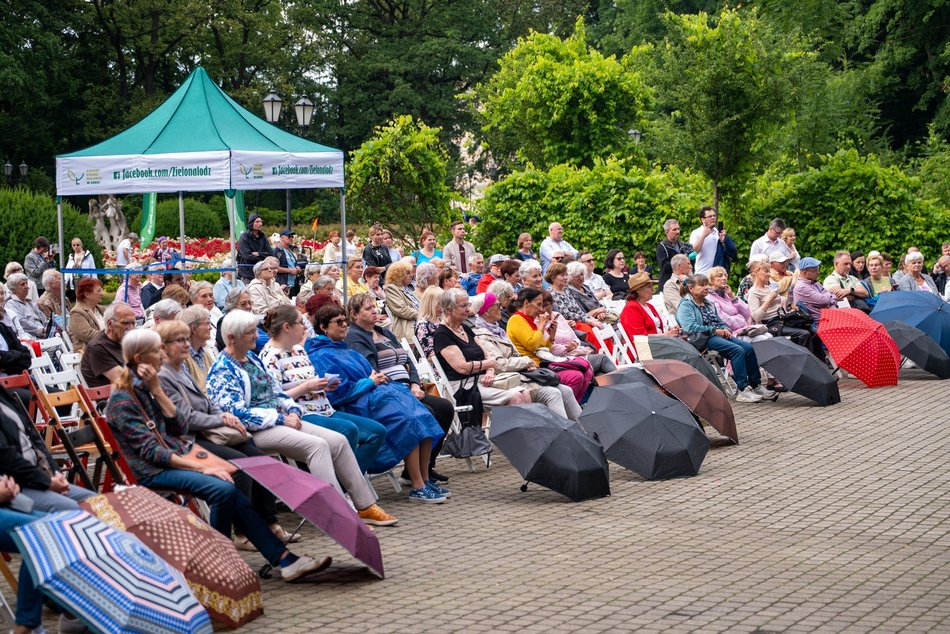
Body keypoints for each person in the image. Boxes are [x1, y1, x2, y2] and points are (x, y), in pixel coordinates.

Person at [106, 329, 332, 580]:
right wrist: (203, 468)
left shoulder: (150, 386)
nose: (163, 354)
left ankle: (282, 559)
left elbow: (179, 427)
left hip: (178, 455)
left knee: (231, 483)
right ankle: (223, 562)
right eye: (157, 349)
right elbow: (152, 452)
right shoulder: (123, 399)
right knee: (222, 488)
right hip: (153, 470)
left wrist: (158, 391)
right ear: (139, 359)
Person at [208, 311, 398, 525]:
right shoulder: (223, 370)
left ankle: (365, 506)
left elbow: (276, 393)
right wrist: (281, 419)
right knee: (318, 445)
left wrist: (293, 411)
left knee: (340, 441)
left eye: (254, 331)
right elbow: (237, 413)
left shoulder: (251, 359)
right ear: (232, 338)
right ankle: (338, 513)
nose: (256, 336)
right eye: (250, 333)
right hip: (254, 429)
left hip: (280, 419)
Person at [154, 320, 297, 548]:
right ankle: (240, 533)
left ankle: (270, 522)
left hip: (208, 430)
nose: (185, 345)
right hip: (190, 439)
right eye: (179, 340)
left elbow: (207, 403)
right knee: (239, 466)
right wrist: (220, 419)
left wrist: (224, 415)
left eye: (185, 339)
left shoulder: (180, 369)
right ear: (163, 347)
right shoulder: (163, 376)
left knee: (261, 458)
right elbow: (185, 418)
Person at [305, 304, 448, 502]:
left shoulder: (345, 350)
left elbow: (367, 373)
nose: (344, 325)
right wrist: (369, 381)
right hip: (356, 405)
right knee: (408, 421)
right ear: (323, 327)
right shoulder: (320, 355)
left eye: (345, 321)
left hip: (375, 397)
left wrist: (374, 378)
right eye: (338, 322)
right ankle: (417, 485)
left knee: (423, 415)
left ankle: (424, 478)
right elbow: (338, 394)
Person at [258, 305, 387, 475]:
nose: (305, 327)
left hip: (324, 408)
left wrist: (324, 386)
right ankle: (344, 487)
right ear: (287, 327)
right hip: (301, 413)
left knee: (377, 432)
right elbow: (274, 399)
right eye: (300, 323)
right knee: (348, 429)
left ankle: (345, 485)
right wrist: (308, 387)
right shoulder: (270, 357)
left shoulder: (298, 350)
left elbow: (310, 380)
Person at [346, 294, 455, 482]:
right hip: (388, 392)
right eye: (367, 308)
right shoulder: (356, 337)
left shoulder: (384, 332)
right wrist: (403, 389)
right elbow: (372, 371)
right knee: (427, 412)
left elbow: (408, 362)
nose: (374, 311)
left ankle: (426, 466)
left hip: (408, 389)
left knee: (445, 408)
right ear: (354, 315)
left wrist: (414, 384)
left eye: (374, 306)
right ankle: (416, 475)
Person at [471, 292, 580, 420]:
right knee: (556, 391)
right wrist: (527, 360)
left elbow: (541, 348)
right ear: (487, 311)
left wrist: (551, 337)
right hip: (512, 378)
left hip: (529, 370)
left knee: (566, 390)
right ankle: (566, 435)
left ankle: (586, 430)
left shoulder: (498, 330)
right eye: (497, 305)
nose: (501, 308)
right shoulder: (484, 334)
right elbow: (500, 363)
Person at [675, 274, 774, 403]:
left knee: (748, 348)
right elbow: (689, 327)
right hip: (702, 338)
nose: (706, 288)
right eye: (702, 285)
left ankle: (756, 385)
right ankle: (743, 389)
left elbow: (718, 320)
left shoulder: (707, 303)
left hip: (718, 334)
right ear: (691, 288)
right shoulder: (686, 305)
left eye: (706, 284)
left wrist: (725, 328)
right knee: (737, 350)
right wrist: (715, 330)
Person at [434, 288, 532, 415]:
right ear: (449, 309)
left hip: (484, 379)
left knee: (525, 392)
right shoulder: (442, 335)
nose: (468, 310)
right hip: (463, 386)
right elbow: (463, 368)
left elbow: (487, 355)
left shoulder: (465, 328)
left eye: (468, 304)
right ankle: (513, 435)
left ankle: (526, 433)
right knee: (515, 397)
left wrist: (490, 372)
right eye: (464, 306)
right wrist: (489, 365)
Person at [0, 385, 96, 511]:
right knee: (76, 510)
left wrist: (56, 472)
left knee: (97, 501)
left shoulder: (3, 396)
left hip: (40, 474)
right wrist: (47, 482)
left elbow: (35, 438)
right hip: (18, 484)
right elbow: (7, 458)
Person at [507, 288, 593, 403]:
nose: (541, 309)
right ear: (526, 303)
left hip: (544, 361)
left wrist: (551, 337)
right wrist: (542, 325)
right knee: (576, 376)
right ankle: (565, 408)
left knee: (588, 371)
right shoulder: (516, 319)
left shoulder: (529, 321)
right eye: (538, 305)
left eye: (543, 305)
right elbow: (532, 345)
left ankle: (575, 404)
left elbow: (544, 347)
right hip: (534, 367)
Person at [746, 260, 822, 359]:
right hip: (771, 324)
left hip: (783, 319)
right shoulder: (753, 292)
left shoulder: (768, 288)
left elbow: (780, 306)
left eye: (769, 271)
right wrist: (769, 299)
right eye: (766, 271)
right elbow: (756, 317)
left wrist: (790, 306)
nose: (769, 274)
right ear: (756, 272)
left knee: (814, 331)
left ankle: (820, 364)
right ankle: (804, 366)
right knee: (803, 334)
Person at [80, 301, 136, 387]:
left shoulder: (123, 341)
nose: (131, 328)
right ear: (110, 324)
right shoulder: (98, 347)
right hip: (110, 398)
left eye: (133, 323)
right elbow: (125, 381)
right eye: (125, 323)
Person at [705, 266, 767, 339]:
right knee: (763, 339)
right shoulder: (710, 298)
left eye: (725, 275)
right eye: (720, 276)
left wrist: (732, 297)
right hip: (731, 333)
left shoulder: (727, 295)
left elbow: (747, 314)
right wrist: (741, 319)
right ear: (711, 280)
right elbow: (723, 320)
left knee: (768, 335)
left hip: (743, 329)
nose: (724, 278)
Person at [620, 272, 680, 338]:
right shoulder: (631, 308)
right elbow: (639, 337)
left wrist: (671, 330)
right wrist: (666, 335)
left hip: (660, 342)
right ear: (638, 290)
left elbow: (658, 329)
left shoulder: (649, 306)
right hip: (647, 347)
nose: (653, 289)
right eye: (649, 287)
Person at [382, 259, 419, 343]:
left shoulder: (407, 288)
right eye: (408, 273)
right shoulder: (392, 288)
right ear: (399, 275)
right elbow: (402, 310)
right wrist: (422, 315)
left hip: (419, 321)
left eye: (411, 272)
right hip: (408, 325)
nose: (411, 275)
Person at [794, 257, 840, 323]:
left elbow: (833, 296)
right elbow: (824, 300)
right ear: (804, 272)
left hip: (829, 315)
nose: (818, 272)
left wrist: (830, 299)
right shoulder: (802, 287)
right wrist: (829, 297)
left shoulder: (814, 282)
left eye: (818, 269)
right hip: (820, 322)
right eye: (815, 270)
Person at [68, 278, 106, 353]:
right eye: (98, 291)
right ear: (87, 294)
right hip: (88, 355)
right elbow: (89, 335)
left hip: (105, 351)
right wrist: (113, 335)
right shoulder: (76, 313)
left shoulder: (101, 309)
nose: (102, 293)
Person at [5, 273, 47, 338]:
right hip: (31, 338)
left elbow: (43, 318)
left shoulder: (30, 302)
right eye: (22, 284)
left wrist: (49, 328)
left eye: (26, 283)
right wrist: (42, 330)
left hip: (45, 334)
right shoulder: (11, 304)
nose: (27, 286)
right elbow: (22, 323)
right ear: (13, 290)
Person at [236, 214, 274, 282]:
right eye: (257, 222)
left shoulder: (263, 237)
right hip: (248, 274)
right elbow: (248, 257)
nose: (260, 224)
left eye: (261, 222)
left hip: (262, 274)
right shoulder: (244, 237)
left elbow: (271, 254)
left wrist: (258, 254)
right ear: (251, 223)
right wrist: (264, 257)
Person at [656, 219, 692, 290]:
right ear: (667, 232)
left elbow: (690, 263)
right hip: (668, 284)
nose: (677, 232)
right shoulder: (662, 246)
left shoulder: (683, 245)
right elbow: (664, 266)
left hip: (683, 283)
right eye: (674, 229)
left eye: (678, 229)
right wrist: (681, 263)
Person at [64, 237, 97, 302]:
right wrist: (65, 282)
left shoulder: (88, 255)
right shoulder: (71, 257)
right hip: (76, 280)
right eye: (74, 245)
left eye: (78, 245)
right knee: (78, 297)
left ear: (81, 245)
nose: (76, 247)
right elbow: (68, 270)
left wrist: (95, 282)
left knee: (87, 297)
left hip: (86, 280)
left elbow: (93, 269)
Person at [415, 285, 444, 358]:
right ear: (430, 304)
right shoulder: (423, 326)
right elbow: (431, 355)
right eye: (440, 304)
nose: (443, 307)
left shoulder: (441, 319)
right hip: (440, 364)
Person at [275, 230, 302, 296]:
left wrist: (297, 268)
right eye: (289, 236)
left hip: (293, 284)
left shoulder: (290, 251)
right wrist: (290, 271)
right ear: (281, 238)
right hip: (283, 284)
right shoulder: (277, 251)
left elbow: (293, 264)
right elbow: (274, 268)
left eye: (292, 236)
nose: (291, 238)